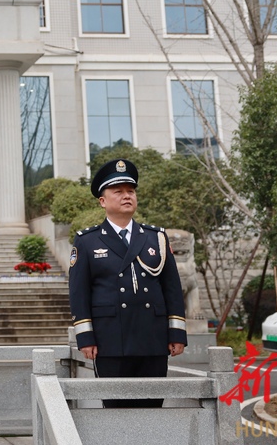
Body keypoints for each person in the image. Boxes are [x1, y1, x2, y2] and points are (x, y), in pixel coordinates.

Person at [69, 158, 187, 408]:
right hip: (109, 341)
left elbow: (172, 288)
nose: (126, 196)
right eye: (118, 191)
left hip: (152, 339)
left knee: (152, 408)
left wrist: (176, 333)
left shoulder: (156, 238)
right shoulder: (87, 241)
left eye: (130, 191)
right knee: (116, 410)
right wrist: (86, 338)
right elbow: (79, 294)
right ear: (103, 201)